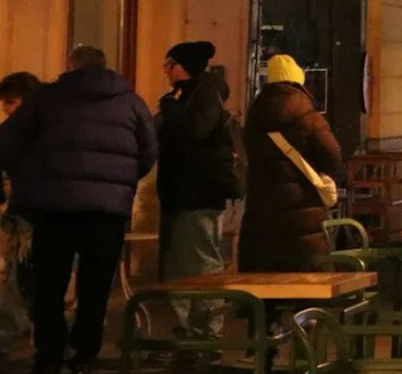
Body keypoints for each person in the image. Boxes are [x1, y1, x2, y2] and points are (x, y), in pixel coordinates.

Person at [0, 45, 156, 374]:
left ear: (70, 65)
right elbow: (148, 151)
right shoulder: (131, 102)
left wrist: (25, 178)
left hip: (53, 207)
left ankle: (49, 355)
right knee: (95, 286)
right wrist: (119, 183)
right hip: (107, 212)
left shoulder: (46, 98)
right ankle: (85, 353)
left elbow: (8, 141)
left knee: (49, 285)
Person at [156, 42, 240, 331]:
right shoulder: (186, 95)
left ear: (183, 67)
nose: (165, 70)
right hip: (179, 193)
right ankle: (184, 331)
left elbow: (196, 132)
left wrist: (171, 108)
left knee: (202, 263)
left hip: (197, 192)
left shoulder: (202, 96)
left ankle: (207, 331)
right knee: (179, 266)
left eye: (169, 64)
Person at [239, 55, 343, 273]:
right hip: (303, 216)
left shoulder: (254, 117)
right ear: (298, 82)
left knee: (266, 284)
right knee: (307, 284)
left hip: (262, 213)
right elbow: (332, 156)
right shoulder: (308, 115)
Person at [0, 71, 43, 345]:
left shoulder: (39, 133)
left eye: (10, 101)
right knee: (15, 273)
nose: (5, 109)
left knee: (27, 275)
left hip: (34, 212)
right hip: (20, 212)